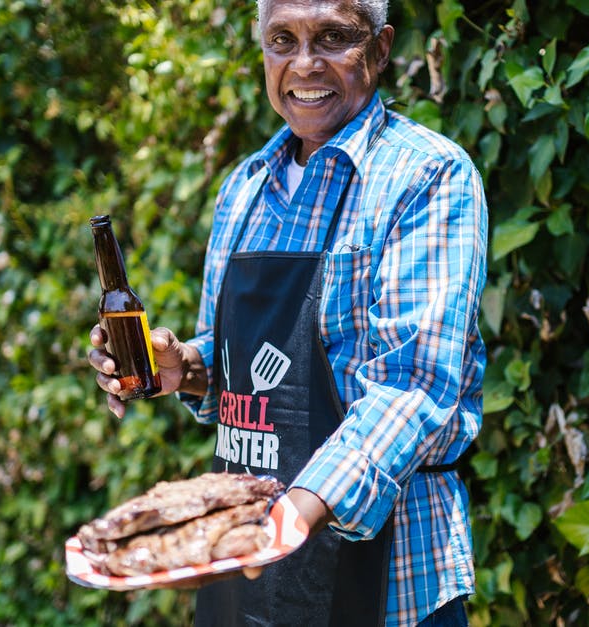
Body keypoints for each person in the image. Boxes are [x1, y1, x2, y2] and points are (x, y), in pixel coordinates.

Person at [88, 0, 487, 624]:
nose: (304, 63)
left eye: (332, 37)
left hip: (390, 576)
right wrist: (185, 367)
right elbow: (249, 366)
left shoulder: (427, 175)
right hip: (249, 569)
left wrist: (294, 512)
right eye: (282, 39)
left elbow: (415, 385)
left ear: (379, 50)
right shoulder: (244, 188)